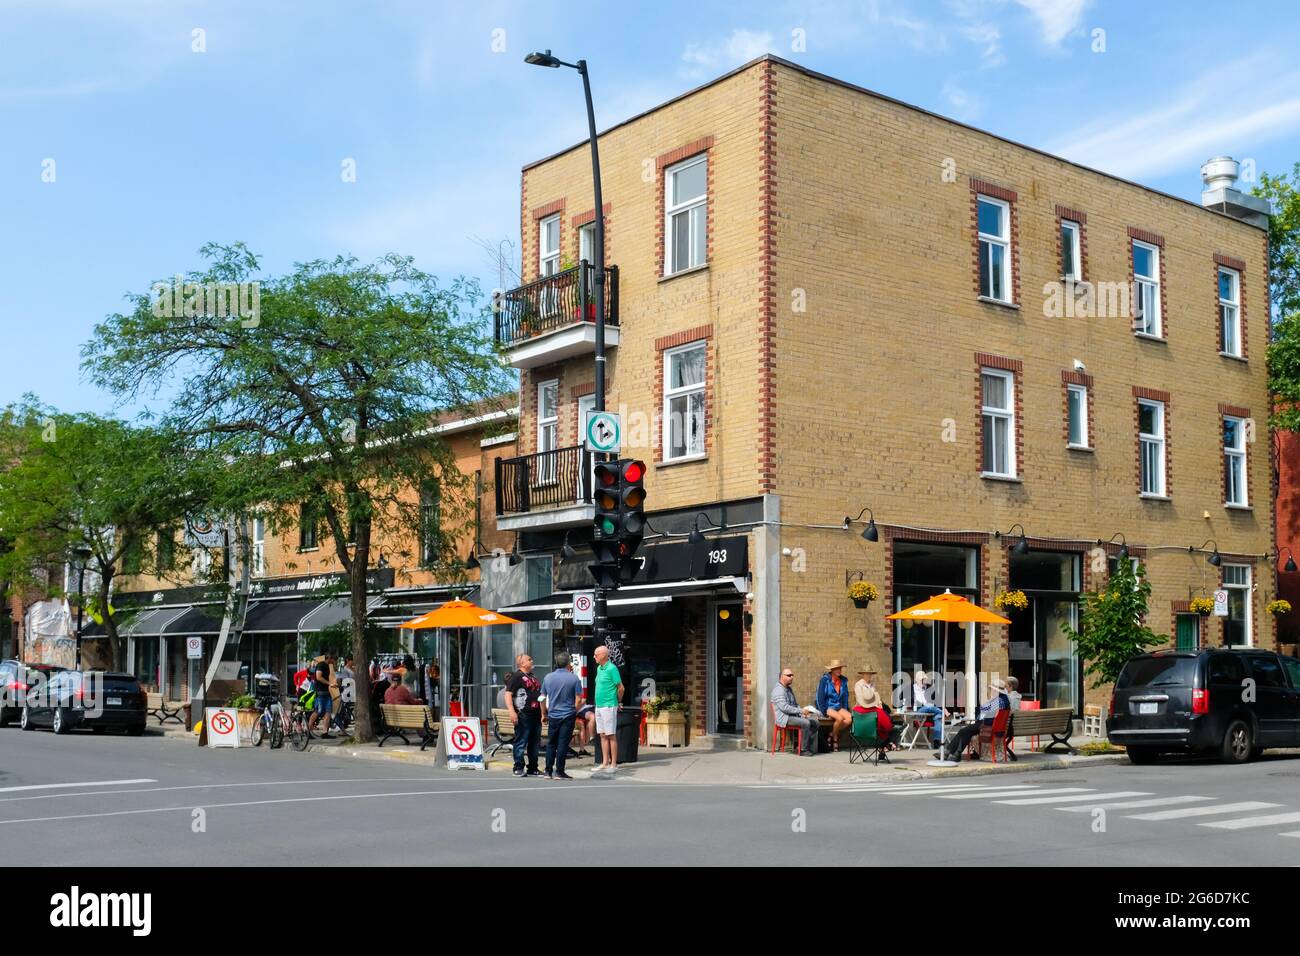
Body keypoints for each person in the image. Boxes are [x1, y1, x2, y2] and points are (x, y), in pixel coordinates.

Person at [943, 677, 1010, 762]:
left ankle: (952, 753)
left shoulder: (998, 701)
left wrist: (981, 710)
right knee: (966, 731)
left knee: (964, 731)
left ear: (996, 690)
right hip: (992, 725)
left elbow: (983, 712)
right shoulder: (1002, 699)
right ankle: (954, 753)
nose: (991, 691)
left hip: (988, 725)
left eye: (992, 689)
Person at [540, 652, 582, 780]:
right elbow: (579, 699)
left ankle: (547, 771)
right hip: (568, 714)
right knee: (563, 743)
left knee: (551, 743)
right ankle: (559, 771)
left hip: (553, 714)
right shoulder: (574, 678)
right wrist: (574, 710)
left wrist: (543, 713)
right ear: (568, 664)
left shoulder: (548, 677)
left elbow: (541, 698)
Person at [505, 653, 542, 777]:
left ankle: (533, 767)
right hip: (523, 714)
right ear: (522, 663)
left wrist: (543, 713)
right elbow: (508, 693)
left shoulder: (532, 676)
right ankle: (518, 766)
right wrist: (511, 711)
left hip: (536, 714)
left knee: (534, 742)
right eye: (529, 659)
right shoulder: (516, 677)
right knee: (521, 741)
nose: (532, 661)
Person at [771, 666, 817, 756]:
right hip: (784, 718)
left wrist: (802, 712)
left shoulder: (789, 689)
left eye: (792, 675)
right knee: (806, 723)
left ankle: (802, 746)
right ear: (782, 677)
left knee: (815, 722)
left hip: (792, 715)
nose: (792, 677)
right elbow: (784, 708)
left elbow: (795, 704)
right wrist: (800, 711)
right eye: (789, 675)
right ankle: (803, 750)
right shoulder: (778, 690)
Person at [592, 644, 623, 775]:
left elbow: (621, 687)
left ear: (603, 655)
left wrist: (618, 701)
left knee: (610, 735)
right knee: (603, 734)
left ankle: (613, 764)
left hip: (609, 705)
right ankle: (605, 762)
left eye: (596, 654)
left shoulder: (612, 668)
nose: (594, 657)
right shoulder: (600, 668)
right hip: (599, 705)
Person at [816, 659, 852, 752]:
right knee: (839, 719)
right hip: (828, 706)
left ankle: (831, 734)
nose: (839, 670)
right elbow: (820, 696)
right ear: (832, 670)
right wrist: (823, 711)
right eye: (836, 669)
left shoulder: (843, 681)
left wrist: (846, 708)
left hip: (838, 706)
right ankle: (835, 738)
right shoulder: (825, 680)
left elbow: (845, 696)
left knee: (850, 718)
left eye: (839, 668)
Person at [853, 669, 895, 741]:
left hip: (872, 707)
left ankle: (885, 742)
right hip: (863, 708)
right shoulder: (858, 685)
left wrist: (879, 703)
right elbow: (859, 699)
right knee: (881, 716)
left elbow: (875, 696)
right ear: (863, 674)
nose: (869, 675)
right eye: (866, 674)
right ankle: (886, 741)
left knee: (881, 714)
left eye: (870, 674)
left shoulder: (873, 684)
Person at [911, 670, 945, 751]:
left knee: (938, 717)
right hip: (919, 711)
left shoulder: (929, 688)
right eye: (922, 680)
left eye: (924, 679)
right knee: (928, 707)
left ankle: (937, 741)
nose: (924, 681)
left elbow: (937, 700)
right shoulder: (911, 688)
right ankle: (942, 711)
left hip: (931, 713)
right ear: (917, 680)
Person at [307, 652, 333, 739]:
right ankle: (308, 730)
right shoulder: (321, 665)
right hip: (320, 692)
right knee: (318, 711)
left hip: (326, 692)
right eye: (333, 659)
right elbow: (318, 677)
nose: (334, 661)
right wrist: (329, 683)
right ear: (328, 658)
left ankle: (325, 732)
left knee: (328, 712)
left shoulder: (327, 667)